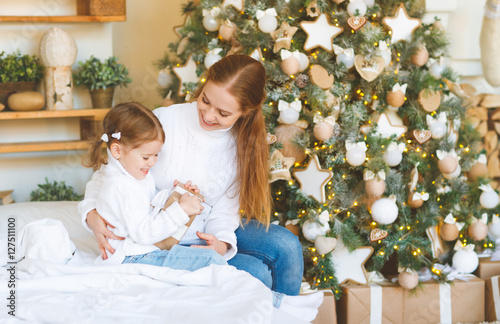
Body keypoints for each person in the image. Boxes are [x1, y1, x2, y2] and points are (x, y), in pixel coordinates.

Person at [79, 54, 304, 295]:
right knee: (256, 272)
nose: (208, 116)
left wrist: (222, 244)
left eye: (223, 113)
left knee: (287, 245)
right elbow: (111, 170)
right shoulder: (165, 120)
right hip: (156, 237)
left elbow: (225, 210)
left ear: (246, 112)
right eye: (205, 100)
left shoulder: (242, 145)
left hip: (202, 233)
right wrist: (90, 212)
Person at [79, 102, 226, 270]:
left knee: (210, 259)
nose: (153, 162)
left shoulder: (129, 172)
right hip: (131, 255)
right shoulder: (122, 186)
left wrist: (175, 195)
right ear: (117, 151)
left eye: (156, 155)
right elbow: (144, 233)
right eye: (146, 156)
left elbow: (146, 206)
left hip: (141, 248)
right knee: (211, 261)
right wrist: (181, 210)